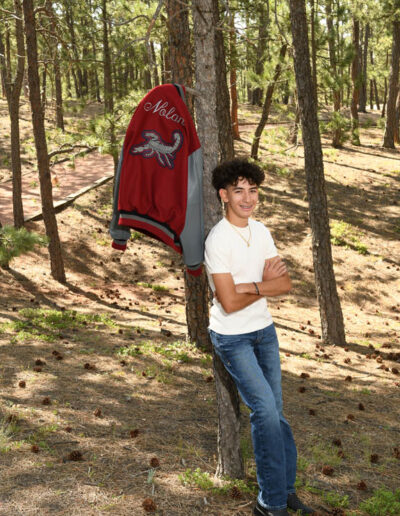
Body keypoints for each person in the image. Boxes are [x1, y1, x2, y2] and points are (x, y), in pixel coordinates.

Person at [204, 159, 314, 516]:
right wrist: (263, 286)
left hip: (264, 332)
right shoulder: (217, 240)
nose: (247, 198)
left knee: (277, 414)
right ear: (224, 195)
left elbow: (285, 284)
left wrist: (251, 285)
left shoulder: (262, 231)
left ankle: (285, 490)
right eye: (239, 191)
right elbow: (229, 303)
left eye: (253, 190)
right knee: (264, 411)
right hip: (232, 337)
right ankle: (269, 503)